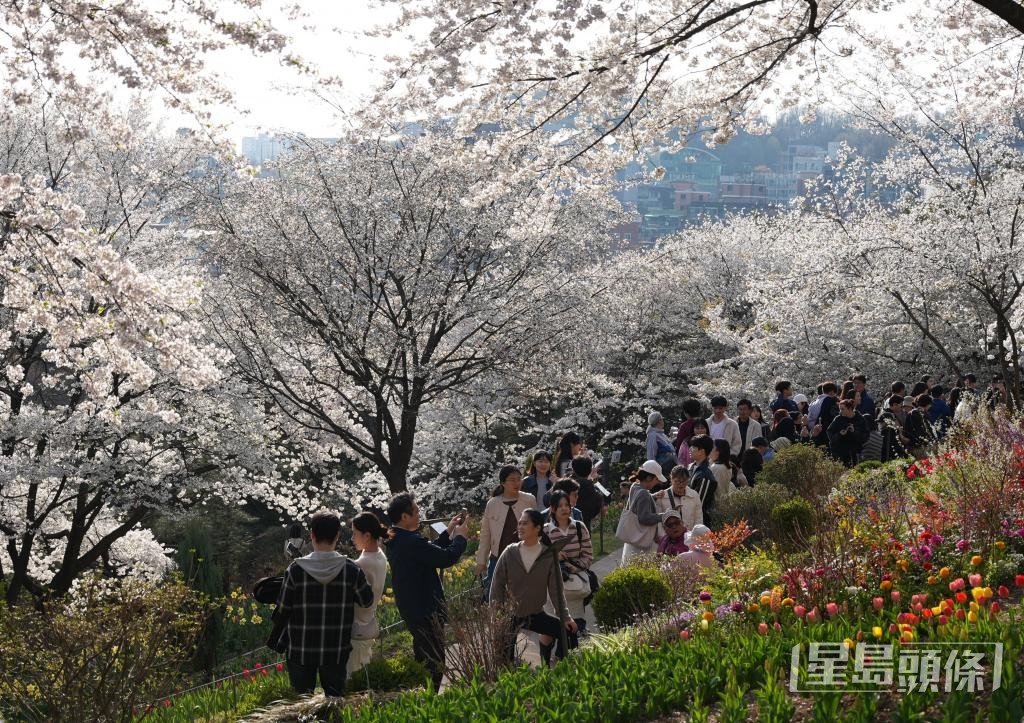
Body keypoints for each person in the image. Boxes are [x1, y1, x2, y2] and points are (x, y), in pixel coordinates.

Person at [270, 510, 373, 697]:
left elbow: (283, 610)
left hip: (300, 650)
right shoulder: (351, 569)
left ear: (312, 535)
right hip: (335, 649)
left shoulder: (295, 570)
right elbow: (367, 601)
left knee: (301, 704)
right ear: (338, 536)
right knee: (335, 702)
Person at [385, 493, 469, 689]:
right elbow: (446, 558)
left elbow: (429, 553)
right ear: (404, 517)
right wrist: (460, 538)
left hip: (414, 609)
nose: (419, 513)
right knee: (435, 661)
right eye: (415, 510)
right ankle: (430, 703)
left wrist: (448, 532)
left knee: (424, 657)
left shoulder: (397, 539)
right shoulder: (410, 542)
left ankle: (424, 697)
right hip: (425, 610)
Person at [489, 509, 578, 667]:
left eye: (525, 523)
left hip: (536, 615)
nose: (520, 527)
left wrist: (565, 617)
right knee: (504, 659)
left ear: (537, 528)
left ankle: (555, 668)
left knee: (569, 632)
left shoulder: (548, 556)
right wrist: (496, 616)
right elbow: (497, 585)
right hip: (511, 616)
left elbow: (556, 590)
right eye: (520, 523)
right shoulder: (510, 553)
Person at [476, 465, 538, 597]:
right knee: (494, 597)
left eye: (518, 479)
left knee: (525, 596)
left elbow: (538, 529)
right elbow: (486, 534)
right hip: (498, 557)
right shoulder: (492, 504)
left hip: (524, 556)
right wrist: (481, 561)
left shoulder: (529, 500)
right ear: (503, 483)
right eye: (512, 480)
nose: (516, 483)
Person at [347, 512, 390, 677]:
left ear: (367, 535)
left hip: (357, 628)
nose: (352, 538)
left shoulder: (364, 563)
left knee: (353, 679)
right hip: (368, 623)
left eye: (354, 533)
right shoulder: (379, 555)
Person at [544, 490, 594, 626]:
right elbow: (539, 560)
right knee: (556, 627)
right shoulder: (545, 531)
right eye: (560, 506)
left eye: (567, 505)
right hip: (553, 589)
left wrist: (573, 567)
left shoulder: (579, 527)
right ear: (552, 509)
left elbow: (588, 556)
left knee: (577, 625)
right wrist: (554, 556)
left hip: (576, 586)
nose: (564, 508)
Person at [620, 461, 664, 562]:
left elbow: (637, 504)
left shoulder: (634, 486)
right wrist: (662, 516)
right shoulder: (644, 493)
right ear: (649, 478)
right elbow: (644, 517)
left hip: (632, 540)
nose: (657, 483)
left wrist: (652, 496)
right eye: (656, 479)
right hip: (641, 543)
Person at [652, 465, 703, 534]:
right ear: (671, 479)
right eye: (677, 481)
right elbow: (659, 523)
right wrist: (664, 539)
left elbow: (699, 519)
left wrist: (695, 537)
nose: (681, 484)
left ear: (688, 480)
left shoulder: (694, 495)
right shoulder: (662, 496)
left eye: (684, 481)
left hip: (690, 538)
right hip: (669, 540)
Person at [826, 399, 866, 467]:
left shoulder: (859, 419)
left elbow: (865, 435)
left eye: (843, 409)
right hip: (841, 453)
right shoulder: (838, 419)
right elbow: (830, 432)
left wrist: (854, 431)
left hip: (856, 452)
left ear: (850, 409)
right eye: (840, 409)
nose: (840, 412)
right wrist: (839, 434)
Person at [569, 455, 605, 529]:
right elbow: (596, 510)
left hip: (565, 527)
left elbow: (547, 500)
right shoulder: (594, 490)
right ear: (590, 470)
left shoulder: (566, 486)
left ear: (573, 469)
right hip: (585, 528)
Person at [687, 434, 717, 520]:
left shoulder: (705, 476)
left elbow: (698, 504)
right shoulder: (691, 467)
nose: (690, 449)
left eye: (693, 447)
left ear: (702, 451)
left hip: (697, 521)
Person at [904, 394, 936, 459]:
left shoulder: (912, 413)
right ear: (928, 404)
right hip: (921, 445)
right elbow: (924, 430)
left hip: (915, 444)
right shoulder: (920, 414)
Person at [878, 395, 909, 462]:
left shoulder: (887, 412)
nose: (902, 409)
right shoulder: (888, 415)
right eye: (901, 406)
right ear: (894, 404)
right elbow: (898, 428)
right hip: (890, 444)